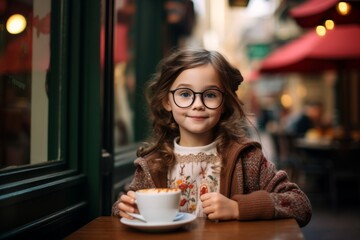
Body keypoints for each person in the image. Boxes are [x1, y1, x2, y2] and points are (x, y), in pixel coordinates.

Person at [112, 48, 312, 227]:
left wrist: (238, 208)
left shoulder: (247, 159)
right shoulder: (152, 164)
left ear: (224, 103)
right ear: (167, 101)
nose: (197, 104)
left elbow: (300, 205)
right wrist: (125, 209)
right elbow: (121, 211)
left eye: (210, 95)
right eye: (184, 94)